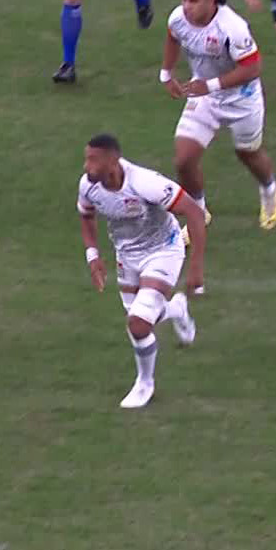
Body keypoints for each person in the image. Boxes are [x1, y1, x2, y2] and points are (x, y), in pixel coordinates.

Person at [79, 135, 204, 410]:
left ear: (113, 161)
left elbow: (194, 213)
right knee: (144, 318)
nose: (88, 166)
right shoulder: (89, 185)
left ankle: (145, 384)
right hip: (127, 256)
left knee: (137, 324)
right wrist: (93, 256)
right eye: (86, 158)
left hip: (164, 250)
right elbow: (86, 215)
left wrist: (196, 267)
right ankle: (177, 310)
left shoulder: (146, 184)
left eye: (94, 159)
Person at [160, 0, 276, 235]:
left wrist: (209, 85)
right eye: (184, 0)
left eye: (194, 1)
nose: (186, 7)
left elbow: (252, 69)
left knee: (248, 154)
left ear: (212, 0)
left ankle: (269, 190)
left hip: (242, 100)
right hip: (205, 98)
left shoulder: (233, 28)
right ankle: (198, 213)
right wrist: (166, 74)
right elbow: (172, 36)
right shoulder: (179, 19)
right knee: (183, 160)